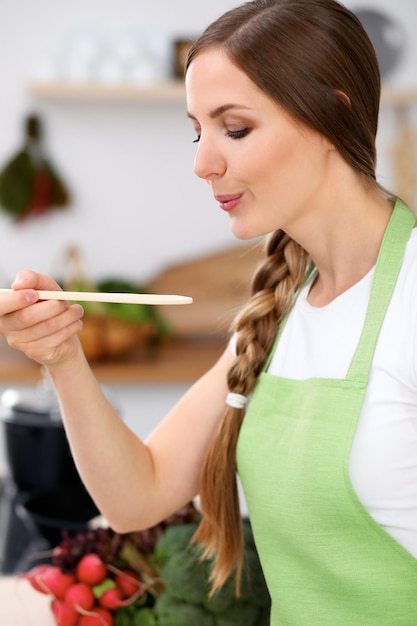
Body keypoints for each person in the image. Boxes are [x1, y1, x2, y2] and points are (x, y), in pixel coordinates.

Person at [1, 0, 416, 623]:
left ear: (334, 111)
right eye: (198, 130)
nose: (202, 163)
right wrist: (62, 356)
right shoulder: (286, 305)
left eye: (236, 128)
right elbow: (136, 498)